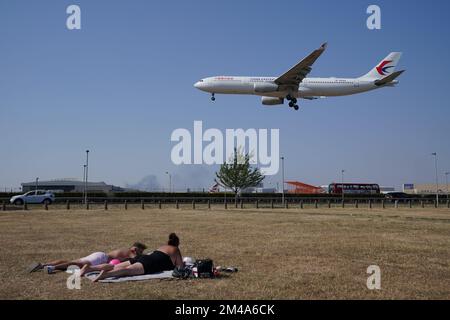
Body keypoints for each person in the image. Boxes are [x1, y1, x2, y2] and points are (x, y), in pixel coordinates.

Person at [92, 233, 182, 282]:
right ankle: (105, 275)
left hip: (144, 257)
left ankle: (90, 268)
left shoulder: (162, 247)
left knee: (114, 266)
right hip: (149, 263)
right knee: (127, 270)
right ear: (177, 244)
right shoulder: (176, 250)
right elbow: (180, 267)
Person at [29, 242, 147, 274]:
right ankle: (49, 267)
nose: (140, 253)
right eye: (140, 251)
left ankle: (44, 264)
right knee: (73, 264)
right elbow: (137, 258)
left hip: (99, 255)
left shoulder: (126, 250)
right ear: (135, 249)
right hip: (101, 258)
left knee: (71, 262)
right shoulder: (130, 252)